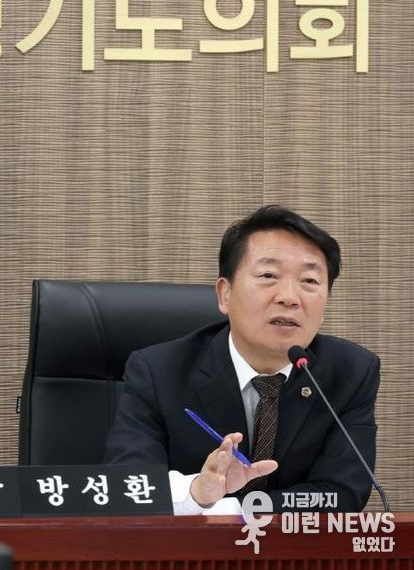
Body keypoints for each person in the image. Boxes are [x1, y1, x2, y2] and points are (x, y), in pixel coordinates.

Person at [104, 205, 380, 513]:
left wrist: (229, 509)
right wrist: (197, 493)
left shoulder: (351, 372)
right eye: (268, 275)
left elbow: (342, 495)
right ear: (225, 294)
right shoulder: (159, 371)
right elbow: (131, 486)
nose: (289, 297)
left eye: (310, 281)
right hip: (187, 543)